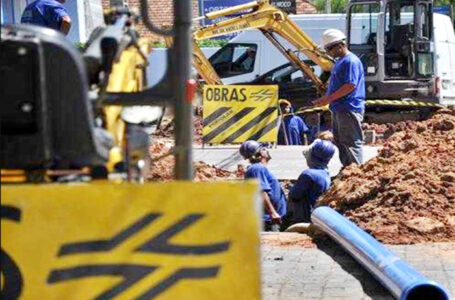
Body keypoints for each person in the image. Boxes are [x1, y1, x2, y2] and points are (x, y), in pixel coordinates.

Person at [312, 29, 365, 167]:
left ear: (340, 45)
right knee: (341, 141)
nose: (328, 52)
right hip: (339, 108)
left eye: (329, 48)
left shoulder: (350, 61)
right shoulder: (340, 62)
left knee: (351, 142)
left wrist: (327, 99)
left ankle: (355, 173)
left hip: (348, 108)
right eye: (326, 49)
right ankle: (348, 171)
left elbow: (350, 85)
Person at [240, 140, 287, 231]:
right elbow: (261, 191)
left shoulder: (259, 168)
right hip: (268, 220)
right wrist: (272, 213)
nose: (267, 151)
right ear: (260, 153)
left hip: (271, 219)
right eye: (264, 149)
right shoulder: (257, 168)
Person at [286, 139, 336, 224]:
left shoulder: (308, 174)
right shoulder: (325, 173)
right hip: (315, 214)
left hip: (303, 217)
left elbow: (295, 195)